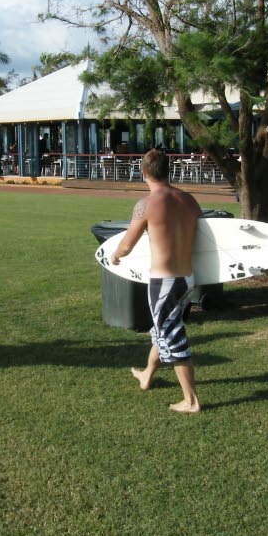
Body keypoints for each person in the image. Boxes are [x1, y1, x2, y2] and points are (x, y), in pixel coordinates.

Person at [112, 149, 203, 413]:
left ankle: (191, 401)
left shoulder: (146, 205)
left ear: (144, 173)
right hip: (187, 278)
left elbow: (126, 245)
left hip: (164, 282)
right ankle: (147, 375)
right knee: (162, 327)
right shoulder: (189, 200)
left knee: (172, 335)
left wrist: (115, 255)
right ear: (168, 171)